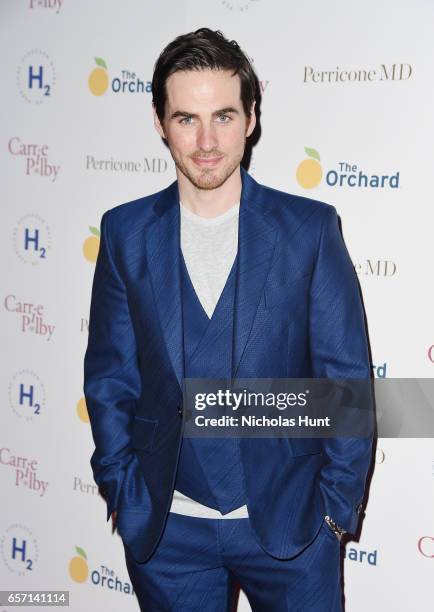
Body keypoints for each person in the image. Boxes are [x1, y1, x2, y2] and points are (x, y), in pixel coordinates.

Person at [84, 27, 373, 612]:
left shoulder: (308, 231)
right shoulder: (124, 232)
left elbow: (347, 383)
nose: (207, 140)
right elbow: (111, 376)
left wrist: (334, 513)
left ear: (252, 116)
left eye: (223, 115)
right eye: (187, 119)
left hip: (292, 528)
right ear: (160, 122)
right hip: (169, 534)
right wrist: (122, 487)